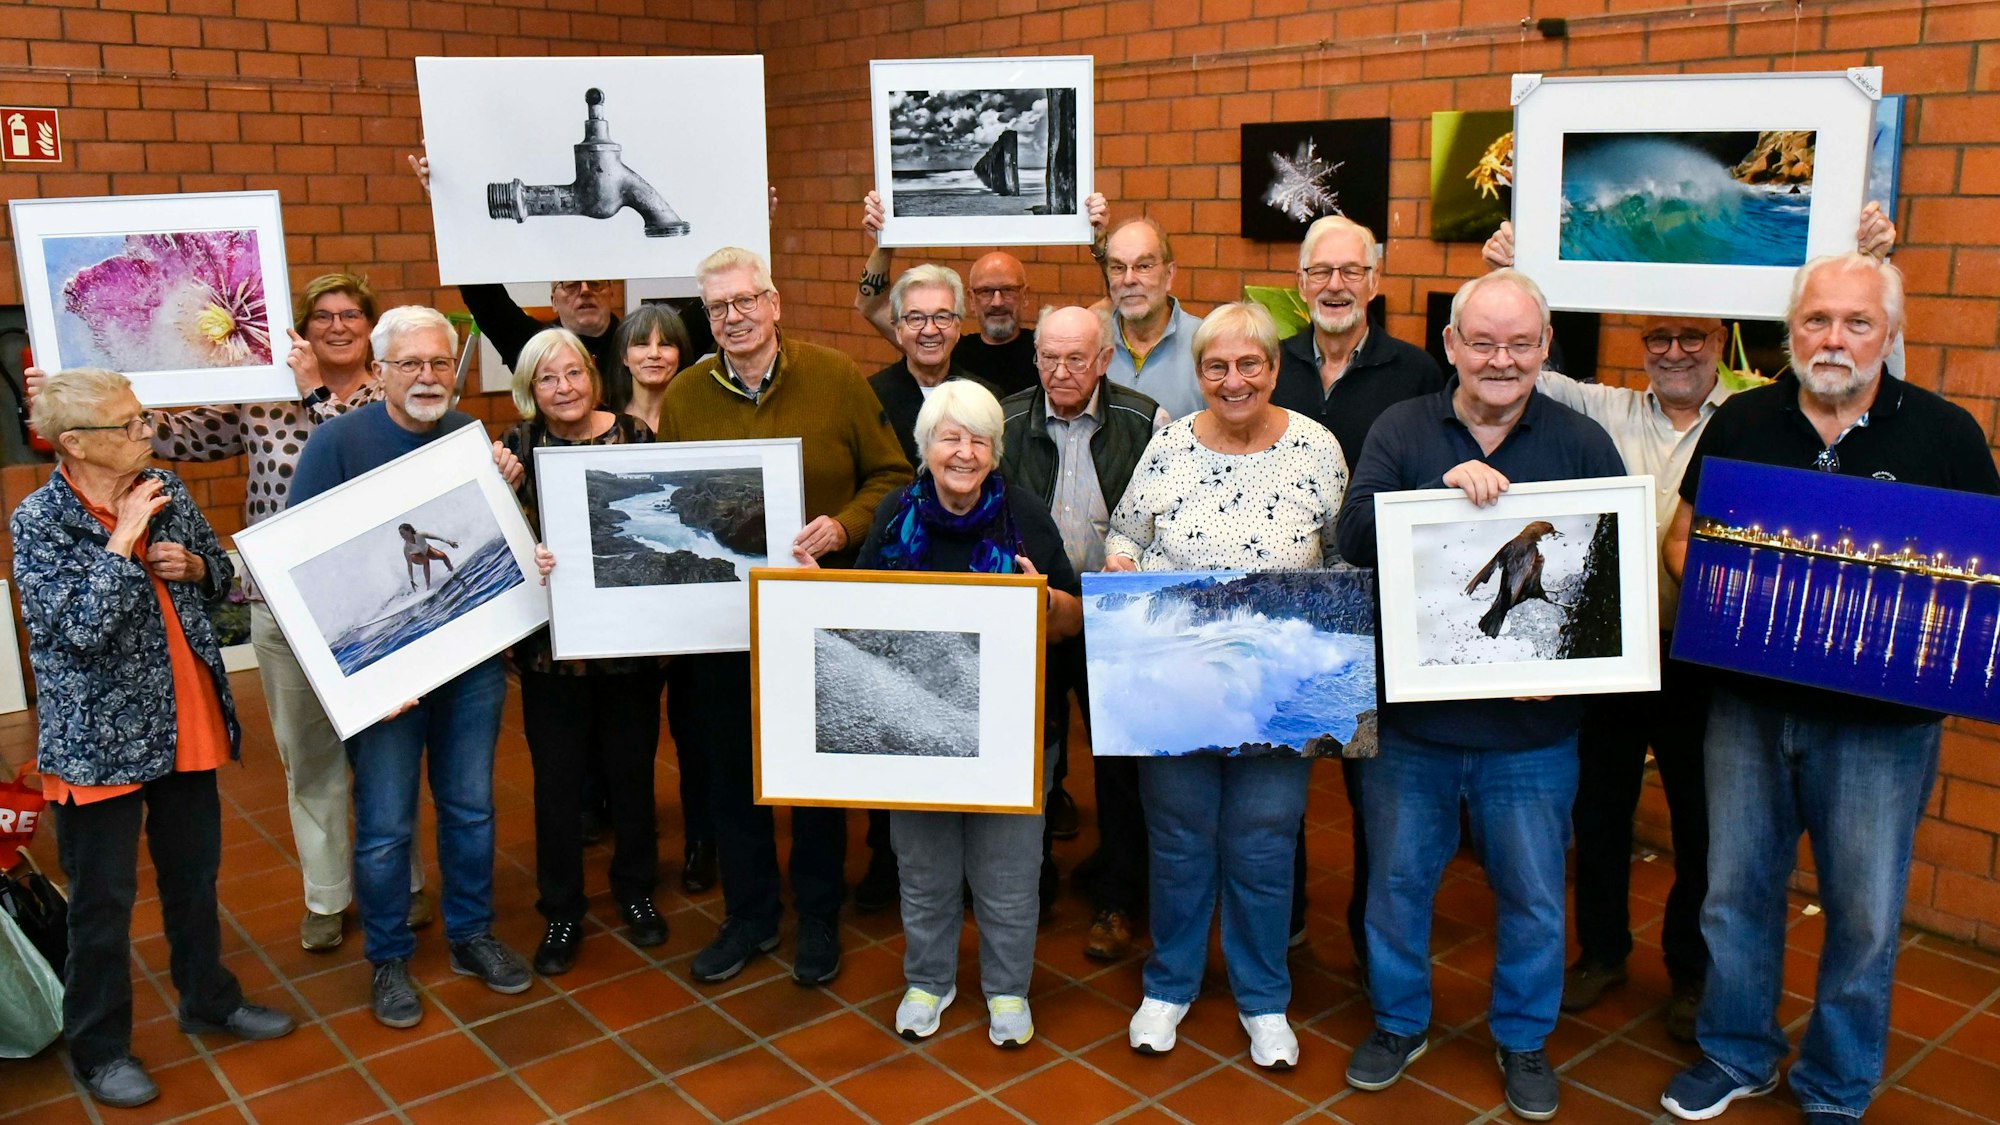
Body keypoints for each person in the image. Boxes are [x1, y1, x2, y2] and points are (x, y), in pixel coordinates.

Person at [1482, 203, 1900, 1043]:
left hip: (1704, 660)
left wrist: (1862, 265)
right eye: (1659, 337)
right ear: (1642, 347)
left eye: (1694, 338)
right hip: (1609, 658)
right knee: (1596, 814)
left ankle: (1689, 969)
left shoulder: (1755, 420)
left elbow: (1849, 373)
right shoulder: (1602, 409)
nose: (1675, 351)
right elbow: (1515, 367)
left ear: (1724, 342)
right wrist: (1502, 272)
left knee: (1700, 825)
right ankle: (1599, 951)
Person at [1657, 254, 2000, 1124]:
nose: (1834, 338)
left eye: (1856, 322)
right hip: (1747, 704)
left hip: (1881, 725)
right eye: (1817, 320)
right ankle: (1737, 1051)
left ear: (1890, 333)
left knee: (1866, 912)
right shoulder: (1741, 419)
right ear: (1790, 331)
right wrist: (1736, 597)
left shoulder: (1945, 433)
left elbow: (1982, 576)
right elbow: (1681, 538)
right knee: (1735, 889)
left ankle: (1837, 1084)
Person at [22, 273, 436, 953]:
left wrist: (309, 392)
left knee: (385, 753)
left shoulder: (388, 397)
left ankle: (399, 882)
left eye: (352, 316)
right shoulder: (261, 397)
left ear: (371, 329)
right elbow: (170, 440)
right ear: (304, 325)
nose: (337, 326)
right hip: (283, 600)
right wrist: (65, 405)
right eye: (322, 316)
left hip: (373, 594)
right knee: (308, 756)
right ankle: (327, 895)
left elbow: (375, 466)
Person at [1334, 269, 1625, 1121]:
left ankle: (1524, 1037)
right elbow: (1352, 536)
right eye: (1483, 342)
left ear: (1544, 350)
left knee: (1534, 897)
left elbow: (1603, 584)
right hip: (1414, 724)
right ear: (1451, 345)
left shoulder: (1580, 441)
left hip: (1533, 735)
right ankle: (1399, 1022)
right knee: (1396, 886)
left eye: (1521, 344)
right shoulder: (1401, 427)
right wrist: (1433, 498)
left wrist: (1566, 673)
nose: (1502, 360)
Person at [12, 367, 296, 1109]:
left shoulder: (167, 484)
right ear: (74, 442)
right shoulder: (39, 520)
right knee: (101, 901)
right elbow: (73, 631)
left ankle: (209, 998)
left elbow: (227, 574)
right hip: (97, 738)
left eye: (144, 418)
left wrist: (199, 564)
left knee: (194, 876)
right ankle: (99, 1048)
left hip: (184, 713)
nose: (148, 431)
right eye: (130, 422)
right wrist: (125, 537)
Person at [654, 247, 913, 987]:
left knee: (814, 774)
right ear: (707, 319)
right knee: (731, 772)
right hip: (722, 622)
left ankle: (820, 916)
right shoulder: (685, 397)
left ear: (774, 303)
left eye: (745, 302)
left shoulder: (834, 378)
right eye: (718, 308)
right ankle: (751, 914)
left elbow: (892, 476)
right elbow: (674, 496)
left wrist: (842, 526)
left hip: (812, 612)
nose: (733, 318)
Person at [801, 380, 1083, 1047]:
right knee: (923, 870)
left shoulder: (1025, 515)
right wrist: (813, 599)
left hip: (1014, 733)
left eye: (979, 438)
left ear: (996, 449)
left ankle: (1008, 990)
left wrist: (1044, 606)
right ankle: (928, 979)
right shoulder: (895, 512)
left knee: (1009, 876)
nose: (963, 452)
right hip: (915, 732)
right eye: (949, 437)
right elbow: (863, 617)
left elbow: (1073, 617)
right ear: (925, 447)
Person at [1105, 302, 1349, 1070]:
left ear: (1275, 370)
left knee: (1264, 840)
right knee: (1177, 838)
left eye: (1251, 364)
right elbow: (1125, 532)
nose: (1234, 379)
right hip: (1173, 673)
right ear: (1201, 372)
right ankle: (1169, 983)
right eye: (1217, 365)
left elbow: (1344, 559)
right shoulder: (1169, 445)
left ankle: (1263, 998)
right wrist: (1118, 562)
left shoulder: (1318, 447)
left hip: (1279, 682)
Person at [290, 306, 532, 1029]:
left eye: (438, 364)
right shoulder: (336, 442)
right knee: (387, 822)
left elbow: (483, 538)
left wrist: (508, 492)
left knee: (470, 806)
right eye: (410, 364)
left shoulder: (465, 437)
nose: (426, 376)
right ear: (383, 371)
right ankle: (389, 957)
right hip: (387, 680)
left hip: (471, 663)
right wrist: (361, 680)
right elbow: (303, 567)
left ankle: (471, 933)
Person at [1269, 213, 1445, 982]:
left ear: (1375, 282)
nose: (1334, 286)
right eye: (1319, 273)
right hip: (1286, 606)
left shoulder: (1418, 372)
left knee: (1378, 797)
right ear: (1300, 284)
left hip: (1378, 615)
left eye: (1350, 272)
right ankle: (1286, 923)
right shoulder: (1269, 365)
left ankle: (1377, 944)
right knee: (1279, 787)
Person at [998, 305, 1167, 961]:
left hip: (1114, 614)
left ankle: (1118, 898)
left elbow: (1161, 520)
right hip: (1030, 612)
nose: (1060, 371)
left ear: (1103, 360)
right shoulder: (1006, 419)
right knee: (1032, 754)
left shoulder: (1145, 420)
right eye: (1048, 357)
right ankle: (1029, 881)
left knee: (1121, 766)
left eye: (1076, 359)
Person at [499, 328, 669, 976]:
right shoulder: (512, 450)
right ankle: (562, 907)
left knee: (632, 772)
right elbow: (493, 544)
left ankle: (636, 889)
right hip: (552, 654)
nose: (564, 388)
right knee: (558, 783)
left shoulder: (637, 438)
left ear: (592, 377)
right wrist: (525, 546)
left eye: (573, 373)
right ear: (529, 389)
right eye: (548, 378)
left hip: (629, 646)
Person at [850, 263, 1003, 913]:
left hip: (976, 585)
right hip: (900, 576)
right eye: (916, 317)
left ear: (960, 324)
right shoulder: (869, 394)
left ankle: (972, 867)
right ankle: (890, 860)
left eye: (944, 317)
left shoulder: (986, 395)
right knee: (898, 720)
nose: (930, 329)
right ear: (897, 326)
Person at [605, 303, 717, 895]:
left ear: (682, 354)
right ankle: (635, 846)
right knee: (632, 734)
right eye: (641, 344)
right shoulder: (602, 424)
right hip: (632, 613)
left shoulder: (700, 412)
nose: (654, 354)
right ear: (623, 355)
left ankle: (703, 840)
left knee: (697, 730)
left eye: (666, 344)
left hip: (695, 602)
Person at [856, 190, 1110, 396]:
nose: (997, 301)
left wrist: (1098, 245)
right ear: (971, 300)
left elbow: (1116, 302)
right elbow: (872, 306)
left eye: (1008, 290)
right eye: (986, 291)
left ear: (1025, 295)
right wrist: (885, 241)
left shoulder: (1049, 348)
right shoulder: (944, 345)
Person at [1101, 217, 1206, 420]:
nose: (1129, 279)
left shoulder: (1205, 343)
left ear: (1169, 274)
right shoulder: (1092, 343)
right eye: (1117, 267)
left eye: (1143, 266)